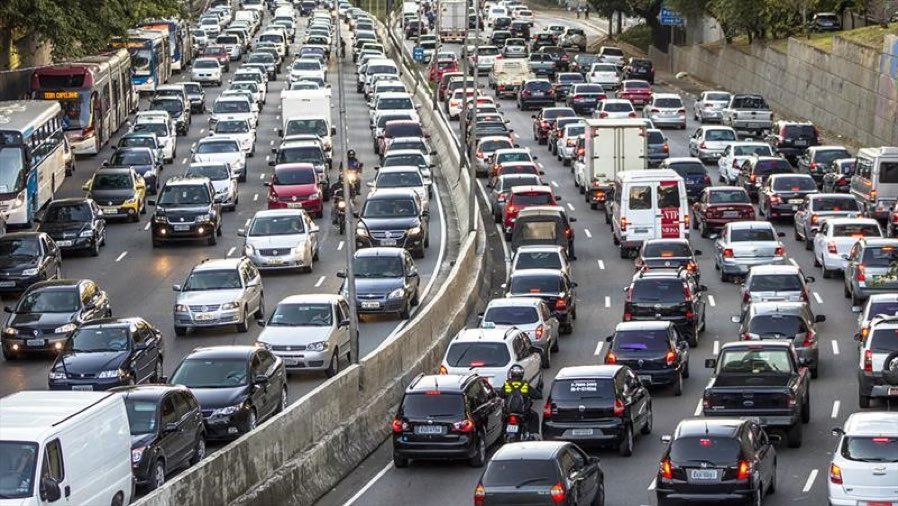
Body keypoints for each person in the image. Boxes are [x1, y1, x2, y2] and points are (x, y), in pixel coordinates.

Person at [497, 365, 538, 435]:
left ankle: (501, 437)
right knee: (535, 416)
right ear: (521, 374)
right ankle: (534, 435)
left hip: (508, 412)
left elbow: (500, 394)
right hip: (522, 413)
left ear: (511, 374)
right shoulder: (525, 385)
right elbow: (537, 395)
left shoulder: (507, 384)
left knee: (501, 420)